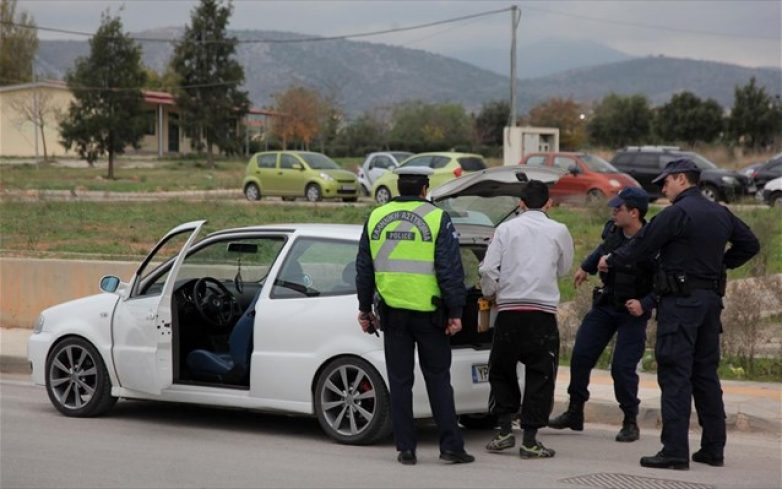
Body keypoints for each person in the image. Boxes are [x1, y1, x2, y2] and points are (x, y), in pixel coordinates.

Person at [598, 159, 759, 470]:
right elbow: (749, 244)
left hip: (681, 306)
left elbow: (641, 246)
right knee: (705, 375)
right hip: (710, 303)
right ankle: (713, 449)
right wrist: (720, 265)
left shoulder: (677, 214)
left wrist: (610, 261)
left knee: (675, 375)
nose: (662, 188)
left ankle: (674, 451)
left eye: (666, 182)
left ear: (682, 180)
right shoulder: (720, 212)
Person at [355, 166, 474, 466]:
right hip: (430, 315)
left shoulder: (375, 217)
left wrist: (364, 309)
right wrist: (456, 311)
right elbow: (450, 271)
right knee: (438, 381)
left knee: (399, 382)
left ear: (398, 187)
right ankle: (450, 447)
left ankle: (405, 449)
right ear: (424, 189)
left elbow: (363, 269)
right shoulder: (436, 217)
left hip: (393, 315)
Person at [548, 187, 656, 443]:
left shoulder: (653, 241)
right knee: (581, 355)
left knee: (622, 368)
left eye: (618, 208)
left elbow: (663, 282)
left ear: (634, 212)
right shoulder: (613, 231)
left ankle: (630, 420)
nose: (613, 212)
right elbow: (602, 249)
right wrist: (585, 267)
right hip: (606, 304)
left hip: (633, 311)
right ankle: (575, 412)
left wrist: (645, 303)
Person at [479, 180, 574, 459]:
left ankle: (505, 431)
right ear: (549, 204)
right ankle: (530, 440)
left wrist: (490, 292)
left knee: (501, 370)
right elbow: (565, 268)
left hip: (509, 312)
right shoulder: (559, 230)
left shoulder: (506, 229)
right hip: (542, 314)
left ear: (520, 203)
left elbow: (487, 268)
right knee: (541, 374)